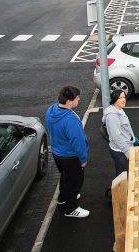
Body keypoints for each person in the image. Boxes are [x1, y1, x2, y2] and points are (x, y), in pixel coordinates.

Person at [45, 86, 89, 218]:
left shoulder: (52, 109)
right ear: (70, 101)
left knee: (65, 177)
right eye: (77, 98)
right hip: (71, 157)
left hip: (57, 153)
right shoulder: (70, 119)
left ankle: (63, 197)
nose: (79, 99)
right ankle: (71, 209)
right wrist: (83, 159)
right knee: (74, 182)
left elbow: (48, 126)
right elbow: (78, 141)